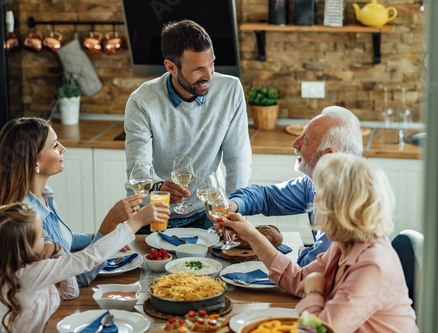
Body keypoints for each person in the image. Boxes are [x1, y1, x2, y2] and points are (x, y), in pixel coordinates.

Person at [221, 154, 418, 332]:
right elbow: (297, 279)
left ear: (342, 207)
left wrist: (313, 291)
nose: (314, 200)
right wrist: (250, 234)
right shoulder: (344, 245)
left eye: (319, 193)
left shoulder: (372, 264)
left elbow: (320, 330)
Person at [0, 117, 159, 286]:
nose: (63, 149)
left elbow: (64, 241)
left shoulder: (43, 197)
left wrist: (104, 239)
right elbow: (76, 279)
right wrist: (108, 227)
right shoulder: (27, 217)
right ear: (35, 161)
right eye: (55, 145)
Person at [124, 19, 252, 233]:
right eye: (198, 69)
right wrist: (158, 187)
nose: (209, 75)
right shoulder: (142, 102)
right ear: (171, 67)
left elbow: (237, 160)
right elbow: (138, 170)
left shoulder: (230, 90)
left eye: (211, 64)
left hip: (206, 214)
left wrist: (233, 216)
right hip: (152, 216)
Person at [0, 202, 166, 333]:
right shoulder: (29, 274)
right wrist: (135, 222)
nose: (46, 236)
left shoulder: (23, 266)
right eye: (41, 235)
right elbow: (88, 258)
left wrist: (56, 249)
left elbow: (71, 292)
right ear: (24, 249)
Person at [219, 106, 363, 266]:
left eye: (305, 140)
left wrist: (303, 251)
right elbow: (266, 196)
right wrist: (233, 205)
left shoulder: (347, 205)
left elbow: (313, 268)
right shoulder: (314, 182)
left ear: (328, 156)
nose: (295, 143)